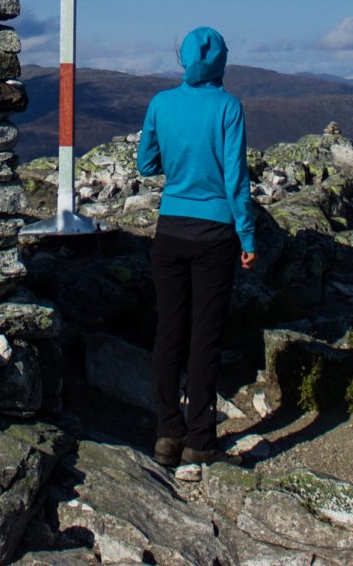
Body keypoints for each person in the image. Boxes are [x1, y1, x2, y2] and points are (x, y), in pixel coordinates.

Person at [137, 26, 258, 468]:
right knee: (204, 338)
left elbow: (146, 163)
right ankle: (201, 438)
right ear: (221, 61)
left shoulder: (160, 104)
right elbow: (235, 178)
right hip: (215, 235)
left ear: (184, 60)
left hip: (170, 231)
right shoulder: (228, 107)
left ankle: (167, 433)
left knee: (169, 332)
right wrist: (247, 237)